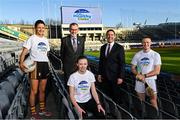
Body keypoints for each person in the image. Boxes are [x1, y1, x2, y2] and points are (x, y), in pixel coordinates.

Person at [19, 20, 52, 119]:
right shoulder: (32, 38)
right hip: (35, 65)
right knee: (34, 91)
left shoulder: (46, 40)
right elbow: (24, 52)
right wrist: (21, 63)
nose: (41, 29)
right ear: (35, 28)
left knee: (42, 90)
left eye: (43, 27)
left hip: (44, 65)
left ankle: (42, 110)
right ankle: (33, 112)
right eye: (39, 27)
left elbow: (45, 53)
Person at [131, 37, 161, 109]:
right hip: (139, 81)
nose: (146, 44)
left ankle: (157, 116)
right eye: (144, 42)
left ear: (150, 43)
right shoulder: (137, 54)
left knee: (153, 101)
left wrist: (144, 75)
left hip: (150, 81)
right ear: (142, 43)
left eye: (148, 42)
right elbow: (132, 68)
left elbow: (157, 71)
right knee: (142, 101)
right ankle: (144, 115)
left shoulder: (155, 54)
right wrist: (137, 74)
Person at [97, 29, 125, 104]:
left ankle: (118, 114)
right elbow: (101, 62)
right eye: (108, 35)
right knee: (106, 97)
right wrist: (99, 74)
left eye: (112, 35)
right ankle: (109, 113)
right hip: (104, 77)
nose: (110, 36)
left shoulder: (119, 48)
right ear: (106, 36)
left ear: (114, 36)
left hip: (115, 78)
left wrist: (121, 77)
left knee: (116, 97)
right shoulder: (103, 47)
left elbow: (122, 63)